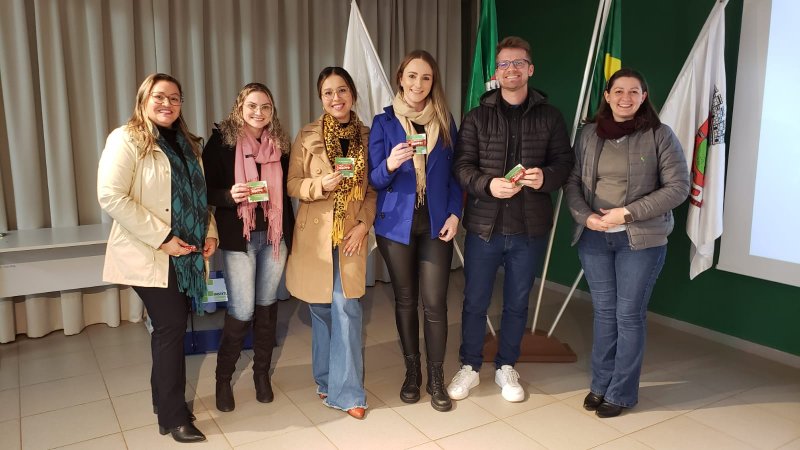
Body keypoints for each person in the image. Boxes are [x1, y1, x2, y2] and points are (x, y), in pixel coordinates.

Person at [449, 36, 573, 402]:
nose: (511, 69)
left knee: (518, 303)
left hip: (529, 230)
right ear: (496, 73)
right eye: (504, 64)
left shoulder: (550, 117)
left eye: (518, 63)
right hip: (484, 228)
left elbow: (564, 164)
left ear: (530, 69)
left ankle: (506, 366)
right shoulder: (477, 116)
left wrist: (544, 177)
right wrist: (487, 184)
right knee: (475, 301)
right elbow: (462, 167)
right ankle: (470, 367)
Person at [98, 73, 217, 443]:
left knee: (171, 328)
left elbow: (199, 196)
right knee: (170, 328)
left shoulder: (188, 143)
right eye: (160, 96)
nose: (168, 103)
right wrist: (163, 237)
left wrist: (210, 232)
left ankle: (163, 402)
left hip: (185, 252)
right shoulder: (127, 138)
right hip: (149, 251)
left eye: (175, 97)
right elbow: (111, 196)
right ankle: (173, 416)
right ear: (143, 99)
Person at [564, 68, 689, 418]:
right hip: (594, 238)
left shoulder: (660, 135)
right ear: (607, 96)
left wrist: (627, 214)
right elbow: (572, 182)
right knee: (604, 313)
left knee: (628, 315)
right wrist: (585, 217)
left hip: (641, 242)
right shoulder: (589, 134)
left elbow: (678, 187)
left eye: (634, 91)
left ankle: (621, 392)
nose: (625, 98)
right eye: (618, 91)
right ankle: (600, 384)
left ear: (644, 97)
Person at [367, 50, 462, 412]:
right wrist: (390, 164)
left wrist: (455, 214)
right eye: (411, 76)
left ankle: (436, 377)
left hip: (437, 225)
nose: (418, 84)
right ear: (400, 78)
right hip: (396, 227)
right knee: (405, 301)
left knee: (435, 303)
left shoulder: (445, 121)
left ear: (433, 82)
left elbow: (456, 175)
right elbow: (374, 179)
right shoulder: (383, 122)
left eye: (425, 77)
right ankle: (412, 373)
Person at [285, 67, 376, 420]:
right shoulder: (307, 134)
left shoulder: (368, 136)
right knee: (321, 310)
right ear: (320, 98)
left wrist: (364, 225)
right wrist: (319, 185)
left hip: (350, 235)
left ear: (352, 94)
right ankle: (325, 379)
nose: (335, 98)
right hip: (315, 236)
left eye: (342, 90)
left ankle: (348, 393)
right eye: (328, 92)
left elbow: (373, 190)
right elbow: (292, 183)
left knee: (347, 308)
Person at [203, 83, 295, 412]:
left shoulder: (280, 144)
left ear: (273, 111)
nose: (259, 112)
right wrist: (229, 195)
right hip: (238, 239)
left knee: (268, 308)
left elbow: (287, 191)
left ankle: (261, 375)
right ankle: (222, 379)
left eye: (265, 107)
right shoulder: (222, 141)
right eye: (252, 106)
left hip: (273, 238)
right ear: (240, 107)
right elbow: (204, 190)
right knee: (241, 312)